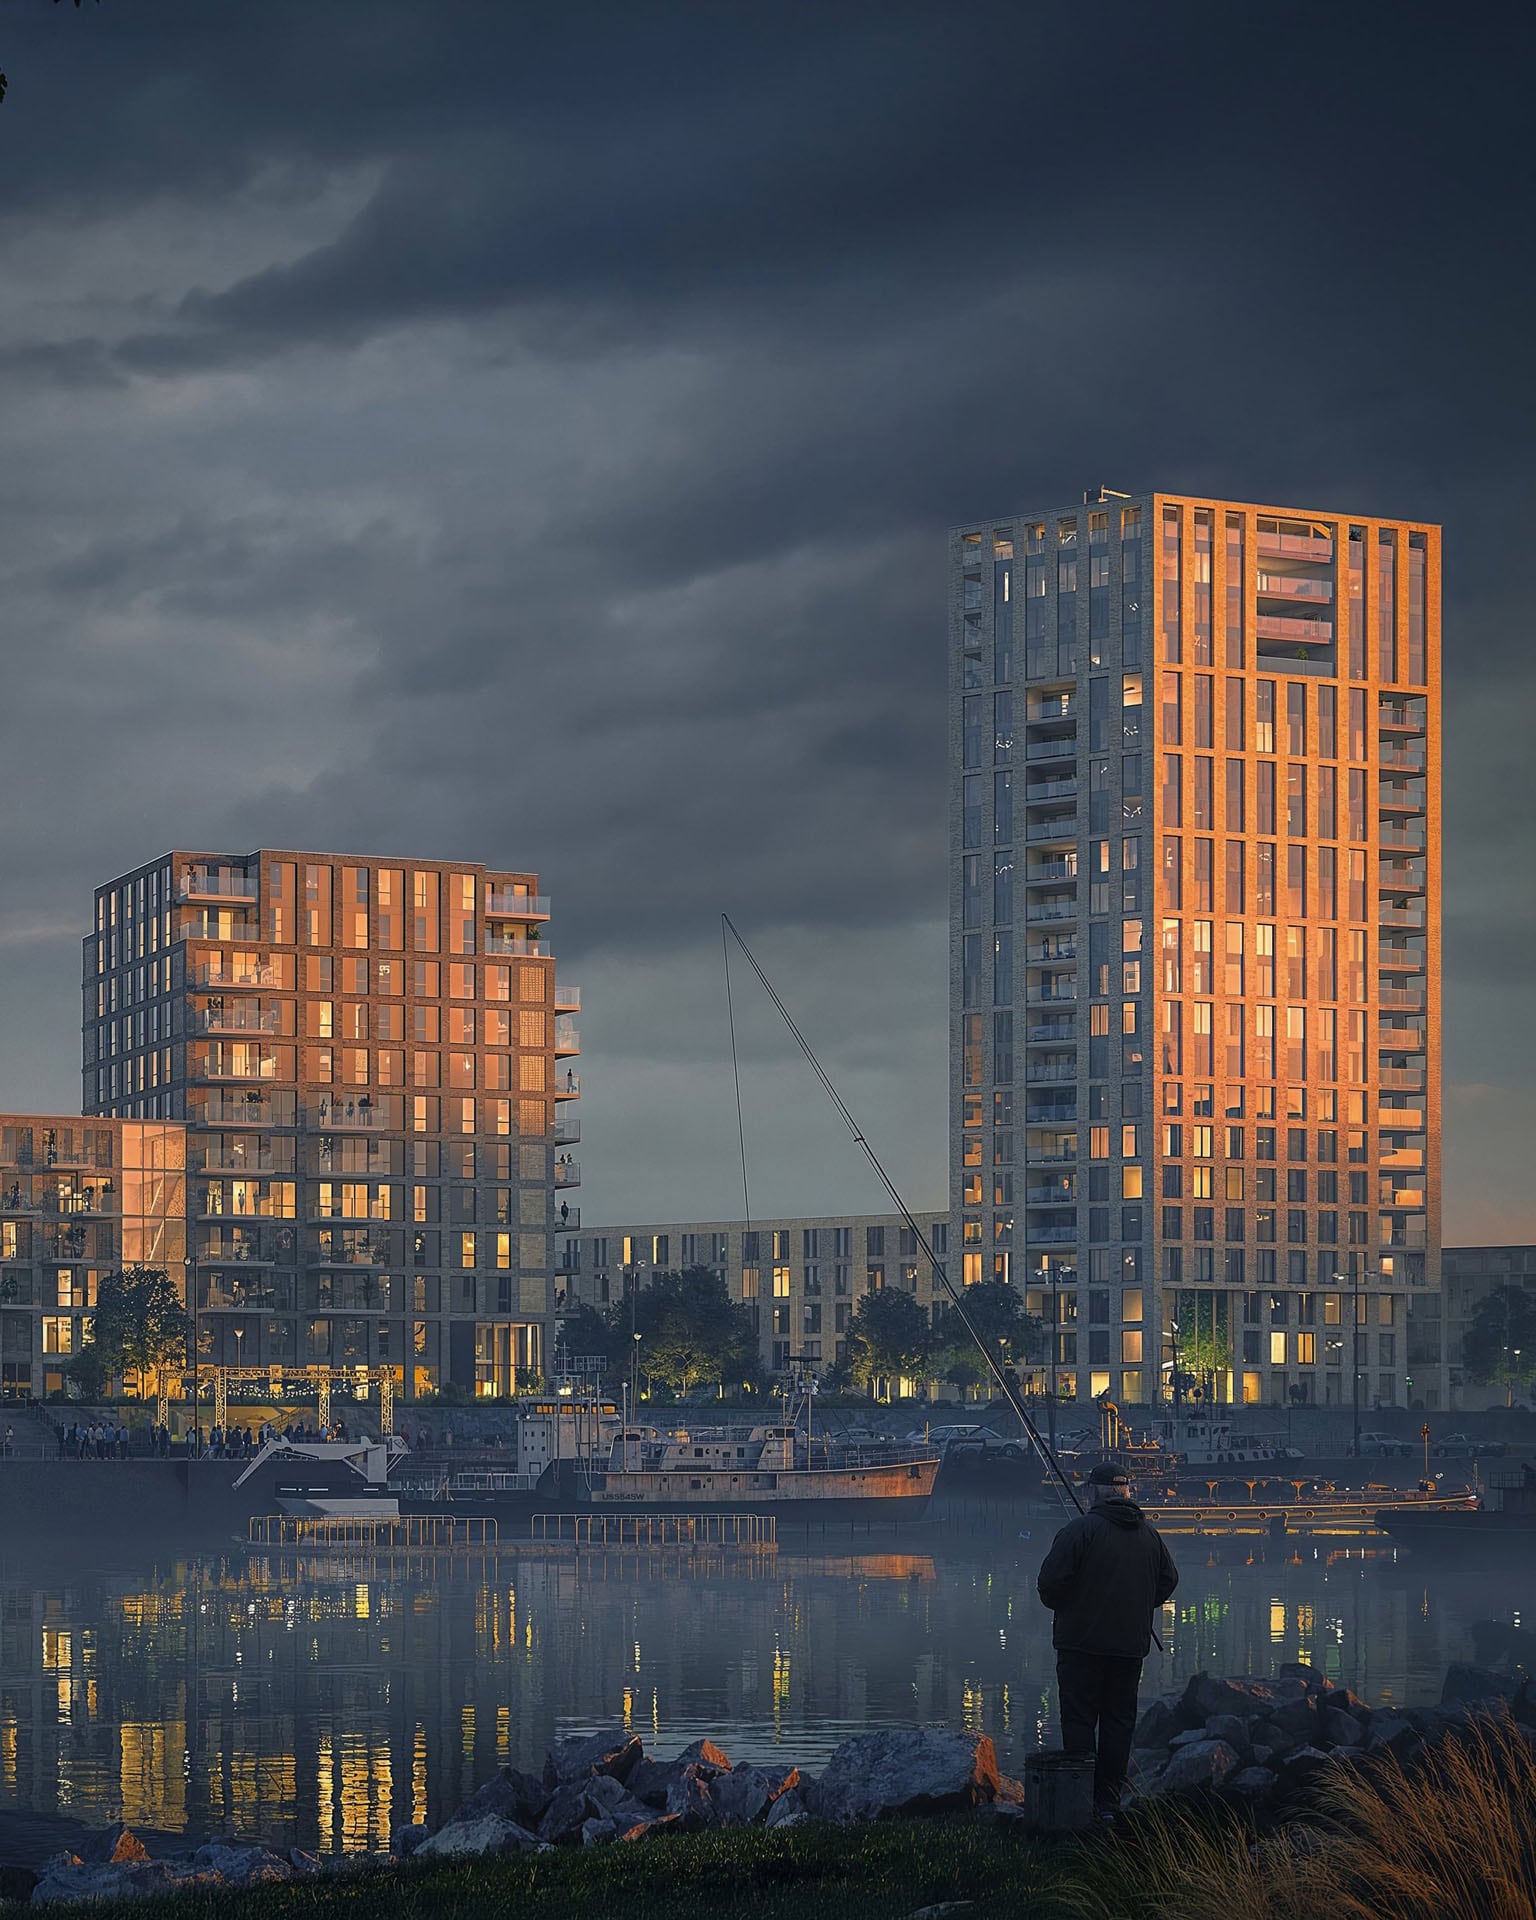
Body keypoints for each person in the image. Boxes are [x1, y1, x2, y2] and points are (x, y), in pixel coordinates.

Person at [1037, 1462, 1179, 1815]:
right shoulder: (1150, 1536)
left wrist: (1073, 1605)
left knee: (1079, 1720)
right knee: (1118, 1722)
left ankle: (1080, 1801)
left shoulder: (1079, 1531)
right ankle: (1109, 1801)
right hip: (1129, 1647)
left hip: (1080, 1645)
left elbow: (1049, 1586)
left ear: (1092, 1493)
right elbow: (1168, 1580)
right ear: (1128, 1493)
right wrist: (1140, 1604)